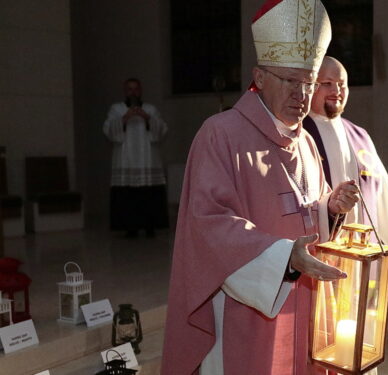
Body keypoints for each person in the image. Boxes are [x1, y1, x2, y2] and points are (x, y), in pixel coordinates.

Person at [161, 1, 361, 374]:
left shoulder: (306, 143)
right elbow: (209, 226)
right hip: (243, 312)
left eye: (309, 83)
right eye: (290, 81)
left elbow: (305, 209)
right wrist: (285, 259)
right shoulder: (220, 134)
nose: (302, 95)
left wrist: (329, 208)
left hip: (302, 304)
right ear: (259, 77)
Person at [303, 56, 388, 276]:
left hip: (362, 251)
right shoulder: (298, 133)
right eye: (327, 83)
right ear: (310, 86)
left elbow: (383, 192)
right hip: (321, 251)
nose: (336, 90)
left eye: (342, 84)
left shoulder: (359, 136)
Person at [103, 78, 168, 237]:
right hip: (126, 160)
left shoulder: (150, 109)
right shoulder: (116, 109)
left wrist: (147, 118)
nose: (133, 92)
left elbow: (162, 129)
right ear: (125, 91)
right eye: (130, 89)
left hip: (147, 160)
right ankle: (130, 228)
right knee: (128, 196)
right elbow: (108, 130)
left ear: (140, 91)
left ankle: (150, 227)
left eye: (136, 89)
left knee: (149, 195)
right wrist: (125, 118)